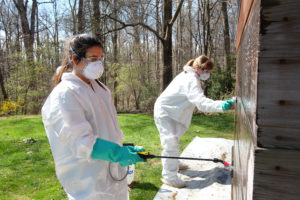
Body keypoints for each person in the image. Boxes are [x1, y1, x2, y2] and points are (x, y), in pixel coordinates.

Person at [41, 34, 145, 200]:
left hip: (111, 172)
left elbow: (106, 128)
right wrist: (117, 153)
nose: (98, 63)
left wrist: (123, 149)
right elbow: (81, 142)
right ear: (75, 59)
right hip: (87, 180)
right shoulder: (65, 94)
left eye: (101, 58)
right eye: (93, 58)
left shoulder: (101, 88)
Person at [154, 55, 235, 188]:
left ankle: (174, 163)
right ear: (197, 68)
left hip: (171, 111)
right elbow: (201, 103)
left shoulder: (190, 75)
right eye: (206, 71)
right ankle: (169, 176)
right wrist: (221, 105)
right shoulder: (191, 79)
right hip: (165, 112)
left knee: (173, 141)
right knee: (171, 143)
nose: (207, 74)